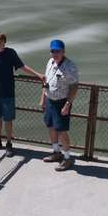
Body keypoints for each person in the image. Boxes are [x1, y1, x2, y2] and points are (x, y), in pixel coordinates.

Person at [0, 32, 43, 158]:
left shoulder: (10, 53)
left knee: (8, 119)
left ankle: (9, 144)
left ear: (4, 42)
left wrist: (37, 75)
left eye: (1, 40)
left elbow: (21, 66)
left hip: (7, 92)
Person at [39, 39, 79, 172]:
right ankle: (57, 152)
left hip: (62, 102)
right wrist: (43, 97)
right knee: (50, 127)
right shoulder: (50, 63)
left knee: (61, 131)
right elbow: (46, 81)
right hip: (50, 100)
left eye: (58, 51)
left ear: (63, 51)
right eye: (53, 51)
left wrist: (67, 104)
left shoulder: (70, 66)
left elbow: (74, 87)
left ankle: (67, 159)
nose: (55, 53)